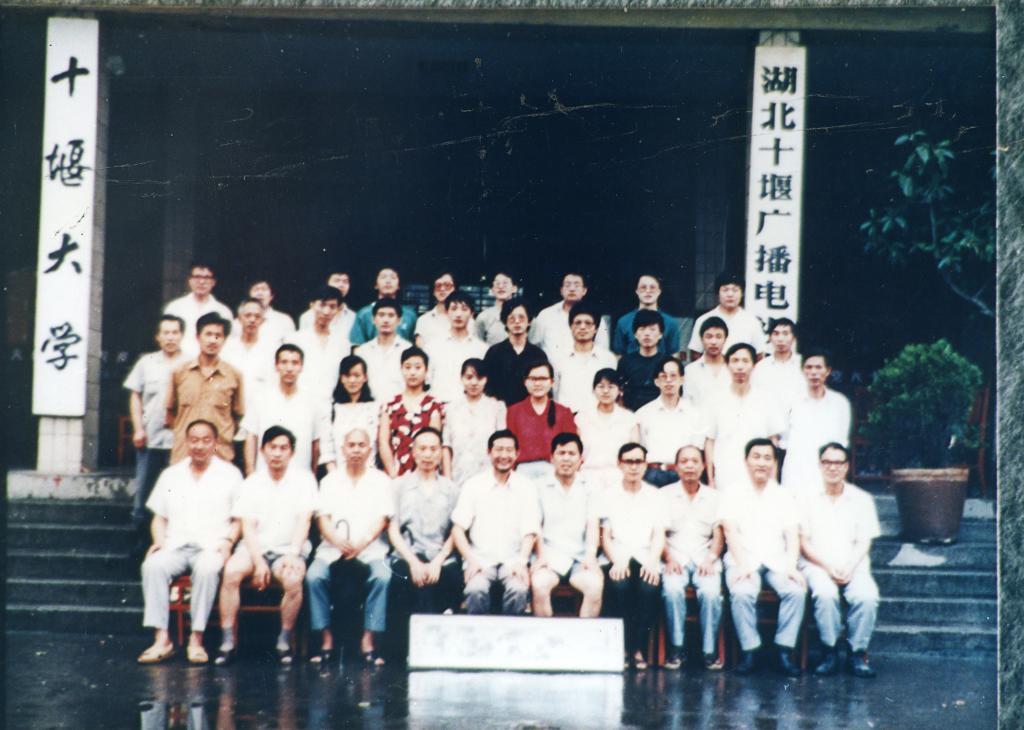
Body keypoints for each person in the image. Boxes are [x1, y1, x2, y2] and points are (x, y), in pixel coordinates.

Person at [137, 420, 242, 665]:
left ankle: (197, 639)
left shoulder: (230, 474)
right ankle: (162, 639)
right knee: (152, 566)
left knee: (206, 569)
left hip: (212, 545)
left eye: (206, 440)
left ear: (215, 443)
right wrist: (159, 541)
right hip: (175, 544)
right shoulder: (171, 475)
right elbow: (159, 517)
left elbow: (239, 519)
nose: (199, 446)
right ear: (186, 442)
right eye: (194, 440)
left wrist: (228, 542)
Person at [215, 426, 317, 666]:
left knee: (293, 579)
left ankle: (284, 641)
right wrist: (259, 561)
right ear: (262, 451)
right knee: (231, 572)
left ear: (292, 452)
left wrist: (293, 554)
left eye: (283, 448)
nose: (277, 453)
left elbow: (305, 521)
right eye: (272, 447)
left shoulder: (304, 480)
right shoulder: (252, 482)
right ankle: (227, 641)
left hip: (288, 549)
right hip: (254, 549)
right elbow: (247, 526)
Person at [305, 428, 393, 666]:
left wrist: (363, 542)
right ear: (343, 449)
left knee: (382, 577)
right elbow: (322, 519)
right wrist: (336, 541)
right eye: (351, 445)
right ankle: (326, 637)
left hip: (371, 549)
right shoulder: (329, 481)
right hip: (333, 549)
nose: (356, 450)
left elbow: (383, 519)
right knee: (314, 577)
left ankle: (368, 638)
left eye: (361, 445)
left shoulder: (381, 481)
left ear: (370, 449)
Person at [720, 438, 806, 677]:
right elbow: (730, 531)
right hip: (743, 559)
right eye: (756, 457)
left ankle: (783, 650)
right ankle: (751, 650)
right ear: (746, 461)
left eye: (767, 458)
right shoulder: (732, 492)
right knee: (741, 592)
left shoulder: (784, 495)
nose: (762, 463)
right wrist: (742, 565)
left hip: (777, 560)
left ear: (775, 463)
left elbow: (792, 535)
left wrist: (791, 566)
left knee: (796, 591)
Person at [799, 442, 880, 678]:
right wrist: (827, 567)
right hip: (816, 563)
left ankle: (857, 653)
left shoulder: (862, 499)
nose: (832, 467)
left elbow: (864, 541)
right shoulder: (806, 498)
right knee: (825, 594)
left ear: (846, 466)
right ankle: (830, 651)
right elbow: (803, 542)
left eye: (838, 463)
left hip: (853, 563)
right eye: (827, 462)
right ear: (820, 465)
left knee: (867, 596)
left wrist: (850, 566)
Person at [451, 430, 540, 615]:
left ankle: (512, 633)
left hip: (513, 559)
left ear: (517, 454)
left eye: (509, 450)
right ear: (489, 452)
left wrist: (522, 561)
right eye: (499, 449)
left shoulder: (526, 486)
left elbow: (530, 530)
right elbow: (458, 529)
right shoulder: (474, 485)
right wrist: (471, 560)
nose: (504, 455)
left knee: (519, 590)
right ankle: (477, 633)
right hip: (480, 560)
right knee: (475, 590)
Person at [600, 442, 666, 670]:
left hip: (646, 556)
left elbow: (659, 534)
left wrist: (653, 561)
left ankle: (637, 648)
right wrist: (616, 560)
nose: (634, 467)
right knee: (620, 586)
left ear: (645, 465)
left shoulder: (656, 496)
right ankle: (621, 649)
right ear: (619, 464)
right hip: (617, 556)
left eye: (638, 461)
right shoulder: (608, 495)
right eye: (629, 461)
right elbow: (605, 535)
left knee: (649, 588)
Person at [123, 315, 187, 547]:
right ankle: (139, 546)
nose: (170, 337)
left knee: (177, 494)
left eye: (175, 332)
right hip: (150, 439)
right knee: (144, 494)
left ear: (182, 336)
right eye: (165, 333)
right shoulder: (146, 363)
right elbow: (135, 396)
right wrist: (138, 429)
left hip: (180, 442)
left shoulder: (190, 363)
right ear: (158, 337)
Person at [660, 445, 725, 671]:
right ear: (676, 467)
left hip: (705, 558)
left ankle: (709, 650)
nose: (689, 466)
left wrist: (711, 558)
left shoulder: (715, 497)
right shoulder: (664, 495)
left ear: (703, 466)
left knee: (711, 593)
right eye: (684, 461)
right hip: (673, 558)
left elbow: (719, 535)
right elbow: (659, 534)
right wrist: (668, 558)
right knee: (672, 590)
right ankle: (676, 648)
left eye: (695, 461)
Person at [388, 428, 463, 620]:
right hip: (407, 557)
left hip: (442, 558)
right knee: (402, 583)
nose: (427, 454)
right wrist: (413, 562)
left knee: (449, 582)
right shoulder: (398, 486)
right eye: (422, 449)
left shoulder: (451, 489)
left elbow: (456, 531)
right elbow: (393, 530)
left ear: (440, 453)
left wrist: (438, 562)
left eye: (433, 449)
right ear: (413, 452)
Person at [531, 433, 603, 618]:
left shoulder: (591, 486)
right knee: (539, 584)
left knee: (595, 585)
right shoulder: (538, 486)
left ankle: (585, 637)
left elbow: (593, 524)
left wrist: (590, 556)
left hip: (580, 557)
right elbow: (535, 525)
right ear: (551, 457)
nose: (566, 458)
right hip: (549, 556)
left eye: (572, 454)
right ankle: (545, 636)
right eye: (561, 453)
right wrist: (541, 555)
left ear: (581, 459)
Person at [166, 313, 244, 465]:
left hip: (220, 455)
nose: (212, 340)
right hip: (184, 455)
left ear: (224, 340)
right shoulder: (179, 373)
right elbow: (170, 414)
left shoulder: (234, 375)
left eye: (218, 336)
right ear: (198, 337)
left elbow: (237, 416)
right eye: (208, 334)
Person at [705, 343, 784, 493]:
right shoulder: (715, 399)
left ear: (754, 365)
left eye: (745, 361)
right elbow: (710, 441)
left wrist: (773, 480)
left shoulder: (767, 399)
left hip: (759, 475)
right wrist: (710, 479)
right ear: (727, 364)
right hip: (726, 474)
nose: (740, 366)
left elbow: (773, 441)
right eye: (735, 361)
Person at [240, 344, 331, 475]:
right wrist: (250, 471)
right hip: (264, 475)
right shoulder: (261, 398)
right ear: (276, 366)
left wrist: (312, 474)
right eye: (284, 362)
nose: (289, 368)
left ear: (301, 367)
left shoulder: (313, 401)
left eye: (295, 363)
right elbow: (251, 437)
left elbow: (316, 444)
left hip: (300, 475)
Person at [781, 348, 852, 494]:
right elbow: (784, 441)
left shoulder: (840, 403)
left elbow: (841, 444)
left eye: (818, 367)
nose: (813, 372)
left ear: (828, 370)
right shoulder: (790, 402)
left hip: (828, 473)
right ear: (802, 370)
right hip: (796, 474)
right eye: (809, 367)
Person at [635, 357, 706, 487]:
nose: (668, 380)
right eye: (663, 376)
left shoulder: (694, 413)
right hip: (653, 475)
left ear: (682, 379)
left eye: (673, 376)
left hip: (685, 474)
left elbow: (698, 448)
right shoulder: (643, 414)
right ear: (656, 381)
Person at [505, 360, 577, 481]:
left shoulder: (564, 412)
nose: (537, 383)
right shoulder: (514, 412)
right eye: (533, 379)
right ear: (525, 382)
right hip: (522, 472)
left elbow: (571, 448)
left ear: (552, 382)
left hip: (555, 471)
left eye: (543, 379)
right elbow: (509, 448)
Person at [379, 347, 444, 477]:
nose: (412, 372)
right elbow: (383, 442)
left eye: (418, 367)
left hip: (426, 473)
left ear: (426, 370)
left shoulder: (434, 405)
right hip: (396, 473)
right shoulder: (390, 404)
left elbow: (433, 443)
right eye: (407, 367)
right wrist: (393, 473)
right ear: (401, 370)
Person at [441, 358, 507, 485]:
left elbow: (501, 444)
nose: (474, 382)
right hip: (458, 476)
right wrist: (448, 480)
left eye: (480, 378)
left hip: (488, 476)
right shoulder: (450, 409)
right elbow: (446, 447)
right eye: (469, 377)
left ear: (486, 379)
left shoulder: (496, 408)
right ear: (461, 378)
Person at [575, 369, 639, 490]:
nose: (605, 391)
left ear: (619, 390)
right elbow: (576, 453)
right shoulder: (582, 418)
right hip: (587, 476)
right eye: (601, 386)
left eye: (611, 387)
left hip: (619, 478)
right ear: (593, 390)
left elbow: (634, 453)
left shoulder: (629, 419)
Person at [552, 300, 617, 414]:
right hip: (566, 418)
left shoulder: (607, 359)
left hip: (598, 418)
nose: (582, 327)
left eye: (588, 323)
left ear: (595, 328)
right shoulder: (558, 358)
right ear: (571, 326)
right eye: (578, 323)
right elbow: (555, 392)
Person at [287, 287, 351, 401]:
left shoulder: (343, 343)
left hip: (332, 402)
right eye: (322, 305)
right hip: (300, 401)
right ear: (312, 305)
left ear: (338, 309)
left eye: (332, 307)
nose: (326, 311)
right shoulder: (295, 339)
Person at [424, 291, 487, 403]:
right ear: (446, 312)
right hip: (439, 405)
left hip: (469, 407)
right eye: (453, 309)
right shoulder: (432, 346)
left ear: (472, 314)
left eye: (464, 309)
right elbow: (425, 381)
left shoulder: (482, 349)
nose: (458, 314)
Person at [482, 297, 546, 406]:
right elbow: (487, 387)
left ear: (529, 321)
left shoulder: (537, 354)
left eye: (521, 317)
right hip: (500, 410)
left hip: (529, 411)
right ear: (505, 322)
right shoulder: (494, 353)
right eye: (512, 318)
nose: (517, 322)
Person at [529, 272, 610, 359]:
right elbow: (534, 345)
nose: (572, 289)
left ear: (584, 291)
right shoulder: (546, 315)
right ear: (561, 290)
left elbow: (603, 348)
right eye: (567, 285)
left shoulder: (595, 316)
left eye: (576, 285)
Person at [687, 272, 767, 359]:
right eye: (725, 290)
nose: (730, 294)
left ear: (742, 293)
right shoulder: (703, 319)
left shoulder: (752, 321)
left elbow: (760, 354)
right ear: (718, 293)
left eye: (735, 290)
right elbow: (696, 353)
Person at [163, 261, 233, 358]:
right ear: (189, 280)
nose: (201, 282)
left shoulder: (223, 312)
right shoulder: (174, 308)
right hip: (179, 362)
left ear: (213, 282)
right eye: (197, 277)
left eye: (206, 278)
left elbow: (226, 343)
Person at [323, 355, 379, 470]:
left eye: (357, 376)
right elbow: (327, 449)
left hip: (369, 473)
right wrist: (334, 475)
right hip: (340, 474)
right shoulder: (332, 409)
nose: (352, 380)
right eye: (347, 376)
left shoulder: (375, 408)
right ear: (341, 378)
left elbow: (380, 445)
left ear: (365, 377)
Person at [612, 274, 687, 357]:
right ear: (637, 291)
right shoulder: (623, 322)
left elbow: (673, 355)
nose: (648, 291)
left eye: (652, 287)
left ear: (659, 291)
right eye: (643, 287)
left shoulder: (671, 323)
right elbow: (619, 355)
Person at [353, 300, 412, 405]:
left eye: (391, 315)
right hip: (368, 408)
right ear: (373, 319)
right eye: (381, 315)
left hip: (400, 409)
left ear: (399, 320)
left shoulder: (409, 350)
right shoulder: (362, 352)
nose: (385, 320)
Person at [221, 298, 277, 402]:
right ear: (239, 318)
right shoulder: (226, 346)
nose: (252, 320)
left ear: (262, 320)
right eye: (248, 315)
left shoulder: (271, 349)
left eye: (257, 316)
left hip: (260, 404)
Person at [348, 267, 417, 345]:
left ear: (398, 286)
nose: (388, 281)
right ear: (376, 285)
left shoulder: (410, 314)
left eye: (393, 278)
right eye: (383, 277)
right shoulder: (364, 313)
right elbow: (356, 345)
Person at [751, 317, 805, 416]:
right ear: (770, 337)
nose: (780, 339)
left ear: (794, 338)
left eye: (785, 334)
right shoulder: (761, 367)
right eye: (776, 334)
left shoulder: (803, 364)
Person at [617, 309, 666, 412]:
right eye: (642, 329)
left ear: (661, 334)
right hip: (631, 413)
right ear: (635, 334)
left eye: (652, 329)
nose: (647, 333)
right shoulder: (625, 362)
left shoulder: (667, 363)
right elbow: (618, 391)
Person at [683, 317, 731, 409]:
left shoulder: (733, 368)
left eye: (718, 337)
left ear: (725, 339)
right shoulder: (691, 370)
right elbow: (687, 403)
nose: (714, 342)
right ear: (701, 339)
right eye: (709, 337)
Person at [299, 271, 355, 338]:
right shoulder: (307, 316)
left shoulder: (353, 317)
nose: (341, 285)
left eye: (345, 281)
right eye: (336, 281)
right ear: (327, 283)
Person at [414, 270, 461, 348]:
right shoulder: (423, 320)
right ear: (433, 291)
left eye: (447, 285)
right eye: (438, 286)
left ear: (455, 289)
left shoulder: (465, 319)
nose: (442, 289)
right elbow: (420, 349)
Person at [246, 279, 296, 345]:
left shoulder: (284, 320)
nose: (260, 293)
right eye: (256, 289)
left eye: (264, 289)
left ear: (271, 296)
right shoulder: (239, 322)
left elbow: (291, 346)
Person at [475, 270, 519, 345]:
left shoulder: (524, 316)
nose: (501, 287)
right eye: (497, 283)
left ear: (514, 288)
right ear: (492, 290)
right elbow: (478, 345)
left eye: (505, 283)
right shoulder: (483, 317)